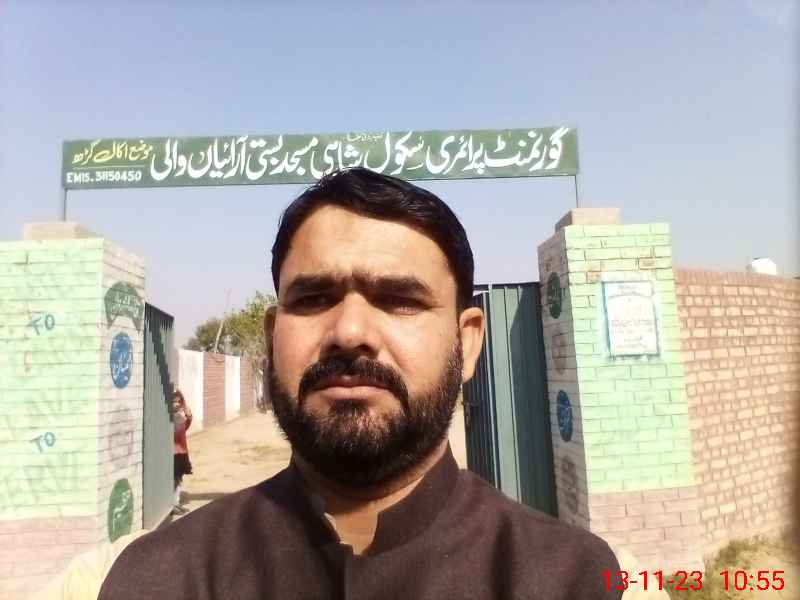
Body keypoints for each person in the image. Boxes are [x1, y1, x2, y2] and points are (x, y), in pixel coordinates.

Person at [99, 168, 621, 599]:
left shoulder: (568, 577)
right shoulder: (161, 578)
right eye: (313, 299)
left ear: (466, 344)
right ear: (273, 337)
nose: (349, 333)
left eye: (400, 300)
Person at [171, 389, 193, 515]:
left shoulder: (179, 416)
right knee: (173, 480)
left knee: (179, 479)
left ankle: (176, 502)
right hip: (173, 453)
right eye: (174, 401)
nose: (177, 404)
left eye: (179, 402)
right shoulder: (170, 417)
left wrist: (189, 417)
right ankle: (171, 504)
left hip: (182, 452)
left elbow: (184, 428)